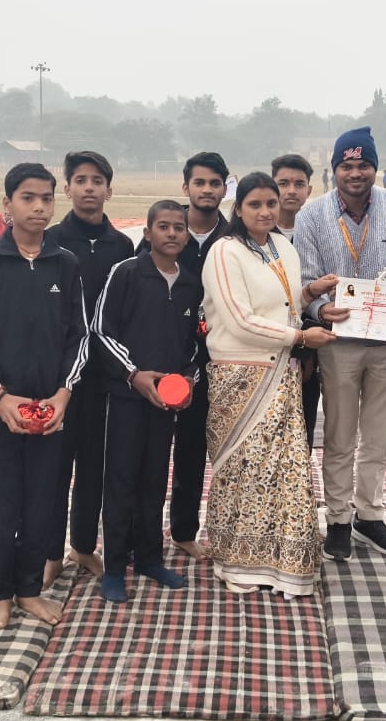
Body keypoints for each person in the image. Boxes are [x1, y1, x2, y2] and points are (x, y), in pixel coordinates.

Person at [0, 162, 88, 629]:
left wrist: (63, 395)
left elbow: (79, 337)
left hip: (50, 410)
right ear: (7, 204)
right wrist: (0, 396)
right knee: (0, 502)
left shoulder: (65, 263)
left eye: (46, 198)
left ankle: (29, 589)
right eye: (28, 198)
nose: (39, 207)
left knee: (42, 500)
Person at [201, 172, 337, 596]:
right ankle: (239, 563)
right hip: (240, 373)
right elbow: (239, 318)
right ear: (238, 208)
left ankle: (283, 563)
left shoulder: (282, 247)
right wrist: (300, 337)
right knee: (244, 469)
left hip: (282, 371)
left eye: (271, 204)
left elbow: (284, 303)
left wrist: (310, 292)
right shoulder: (225, 251)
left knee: (284, 469)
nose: (265, 212)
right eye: (255, 204)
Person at [293, 126, 386, 562]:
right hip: (338, 340)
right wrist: (321, 308)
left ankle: (370, 514)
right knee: (340, 433)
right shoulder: (311, 215)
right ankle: (339, 519)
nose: (356, 173)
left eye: (364, 165)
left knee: (379, 434)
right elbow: (307, 278)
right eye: (347, 165)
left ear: (375, 168)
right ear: (335, 170)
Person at [91, 200, 201, 602]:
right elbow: (100, 331)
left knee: (155, 480)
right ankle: (114, 567)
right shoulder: (126, 273)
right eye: (163, 226)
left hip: (165, 404)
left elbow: (195, 344)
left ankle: (150, 558)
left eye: (179, 227)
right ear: (147, 232)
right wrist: (133, 374)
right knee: (121, 480)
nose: (171, 233)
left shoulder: (191, 284)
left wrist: (188, 380)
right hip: (125, 398)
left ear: (187, 236)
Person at [44, 150, 135, 587]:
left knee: (94, 466)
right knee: (56, 466)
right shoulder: (51, 241)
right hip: (60, 375)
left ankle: (82, 545)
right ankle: (49, 552)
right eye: (80, 180)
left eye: (97, 181)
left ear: (109, 190)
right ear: (67, 188)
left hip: (105, 376)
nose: (89, 188)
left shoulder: (123, 247)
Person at [143, 152, 230, 561]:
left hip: (214, 363)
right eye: (200, 182)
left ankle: (183, 530)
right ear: (186, 187)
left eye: (215, 183)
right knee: (149, 451)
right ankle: (140, 531)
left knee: (194, 450)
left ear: (225, 189)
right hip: (160, 360)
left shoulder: (232, 239)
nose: (207, 190)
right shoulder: (168, 230)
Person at [271, 153, 320, 447]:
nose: (291, 190)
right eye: (283, 183)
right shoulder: (256, 233)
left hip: (307, 348)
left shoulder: (317, 231)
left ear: (309, 190)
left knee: (301, 432)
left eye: (299, 184)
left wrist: (307, 352)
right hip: (265, 347)